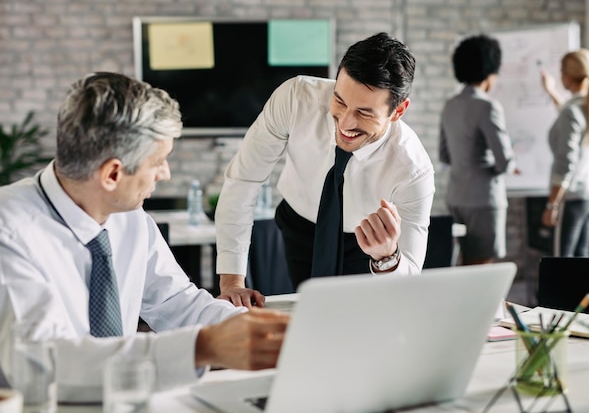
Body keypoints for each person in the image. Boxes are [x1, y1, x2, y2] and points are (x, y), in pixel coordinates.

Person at [0, 72, 289, 403]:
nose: (165, 174)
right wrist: (204, 347)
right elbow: (43, 364)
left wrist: (267, 332)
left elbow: (178, 303)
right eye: (159, 162)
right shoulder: (9, 231)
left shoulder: (132, 220)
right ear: (112, 173)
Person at [215, 32, 435, 307]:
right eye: (340, 101)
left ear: (398, 111)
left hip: (366, 245)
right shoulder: (295, 99)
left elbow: (410, 275)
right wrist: (232, 282)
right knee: (305, 314)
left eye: (364, 113)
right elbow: (243, 180)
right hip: (298, 225)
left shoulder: (413, 169)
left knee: (358, 320)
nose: (345, 123)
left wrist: (387, 256)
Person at [439, 34, 519, 265]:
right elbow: (504, 163)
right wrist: (507, 166)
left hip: (456, 197)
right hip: (484, 200)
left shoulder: (450, 105)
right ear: (489, 71)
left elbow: (445, 155)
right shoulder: (488, 106)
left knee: (464, 265)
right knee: (482, 268)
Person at [540, 48, 589, 257]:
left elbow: (565, 164)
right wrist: (551, 92)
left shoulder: (572, 112)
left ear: (567, 76)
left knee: (562, 263)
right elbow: (568, 115)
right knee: (580, 264)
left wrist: (552, 204)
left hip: (574, 199)